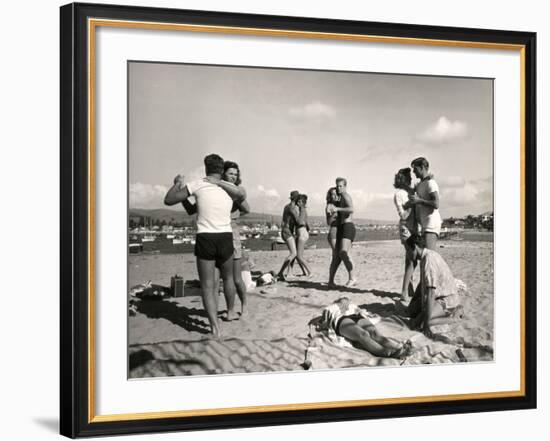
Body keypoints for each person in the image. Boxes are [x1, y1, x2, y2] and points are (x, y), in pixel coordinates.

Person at [163, 154, 245, 337]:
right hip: (225, 237)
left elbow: (168, 200)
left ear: (206, 168)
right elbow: (242, 196)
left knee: (208, 286)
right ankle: (231, 311)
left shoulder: (198, 184)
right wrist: (221, 183)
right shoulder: (230, 188)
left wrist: (177, 183)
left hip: (206, 237)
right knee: (229, 279)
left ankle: (214, 327)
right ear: (222, 170)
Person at [180, 161, 250, 318]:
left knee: (236, 279)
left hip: (231, 233)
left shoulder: (234, 191)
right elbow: (192, 209)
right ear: (223, 173)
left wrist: (234, 217)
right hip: (215, 234)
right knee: (216, 280)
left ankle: (243, 304)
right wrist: (183, 195)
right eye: (231, 173)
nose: (233, 177)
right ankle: (219, 310)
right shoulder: (211, 189)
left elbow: (247, 208)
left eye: (236, 174)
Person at [405, 234, 465, 338]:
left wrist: (426, 325)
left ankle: (454, 317)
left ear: (414, 247)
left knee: (422, 323)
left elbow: (431, 293)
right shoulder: (426, 256)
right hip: (440, 296)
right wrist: (414, 301)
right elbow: (422, 284)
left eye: (408, 250)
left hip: (447, 299)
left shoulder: (429, 260)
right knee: (413, 313)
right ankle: (432, 316)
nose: (407, 254)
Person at [317, 297, 412, 359]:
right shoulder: (331, 308)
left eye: (346, 300)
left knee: (374, 332)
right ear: (337, 301)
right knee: (363, 334)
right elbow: (324, 320)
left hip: (356, 316)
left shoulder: (352, 306)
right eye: (343, 300)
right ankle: (386, 353)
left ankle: (397, 347)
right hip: (341, 319)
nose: (345, 301)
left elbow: (361, 311)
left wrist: (360, 311)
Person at [393, 167, 418, 301]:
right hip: (406, 229)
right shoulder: (399, 194)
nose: (410, 179)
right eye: (407, 177)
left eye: (410, 177)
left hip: (414, 228)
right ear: (402, 180)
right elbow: (403, 215)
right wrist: (411, 204)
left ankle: (409, 289)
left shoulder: (411, 191)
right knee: (412, 260)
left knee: (410, 260)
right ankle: (404, 292)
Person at [328, 177, 357, 287]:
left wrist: (337, 209)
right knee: (338, 256)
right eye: (337, 186)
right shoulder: (339, 198)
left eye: (341, 186)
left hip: (348, 226)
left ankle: (352, 277)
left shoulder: (345, 196)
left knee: (343, 252)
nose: (339, 188)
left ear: (345, 186)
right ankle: (331, 281)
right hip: (342, 227)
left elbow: (351, 209)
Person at [409, 157, 442, 250]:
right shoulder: (421, 184)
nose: (413, 172)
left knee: (429, 257)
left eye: (415, 169)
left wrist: (419, 201)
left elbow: (436, 204)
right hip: (424, 225)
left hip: (431, 224)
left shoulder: (431, 183)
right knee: (424, 256)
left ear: (422, 167)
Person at [277, 190, 300, 281]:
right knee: (294, 253)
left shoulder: (287, 206)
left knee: (293, 253)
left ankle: (289, 272)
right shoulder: (292, 208)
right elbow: (298, 221)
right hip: (287, 231)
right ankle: (280, 272)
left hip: (286, 231)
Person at [292, 194, 312, 277]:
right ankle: (304, 272)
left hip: (302, 233)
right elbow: (307, 225)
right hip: (302, 233)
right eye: (298, 201)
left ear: (303, 203)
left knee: (299, 256)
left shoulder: (302, 210)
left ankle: (310, 272)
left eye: (300, 201)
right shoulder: (302, 210)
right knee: (297, 255)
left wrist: (294, 217)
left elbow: (300, 222)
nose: (298, 202)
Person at [325, 187, 340, 251]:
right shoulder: (329, 206)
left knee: (336, 257)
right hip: (334, 232)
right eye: (333, 194)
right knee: (336, 254)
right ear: (330, 196)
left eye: (336, 194)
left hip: (341, 231)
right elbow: (328, 222)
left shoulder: (340, 204)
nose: (335, 196)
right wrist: (334, 214)